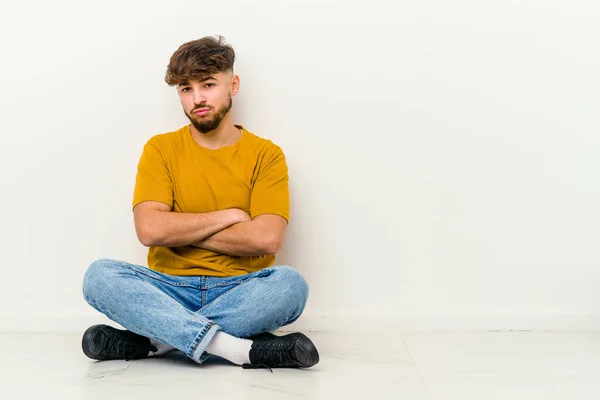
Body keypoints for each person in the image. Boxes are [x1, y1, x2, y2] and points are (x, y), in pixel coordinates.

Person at [81, 36, 319, 370]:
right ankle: (238, 350)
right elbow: (149, 230)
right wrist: (231, 216)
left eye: (208, 84)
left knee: (290, 286)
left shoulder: (266, 155)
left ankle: (158, 341)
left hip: (239, 288)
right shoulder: (161, 149)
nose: (198, 99)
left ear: (232, 84)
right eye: (186, 89)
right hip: (169, 288)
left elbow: (266, 238)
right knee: (99, 276)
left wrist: (177, 227)